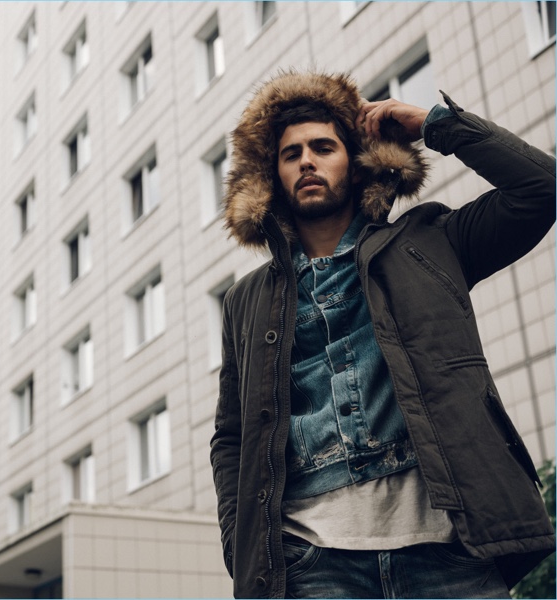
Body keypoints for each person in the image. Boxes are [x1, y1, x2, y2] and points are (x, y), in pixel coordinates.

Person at [210, 69, 556, 599]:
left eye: (323, 147)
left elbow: (541, 190)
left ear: (356, 161)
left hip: (450, 551)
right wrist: (242, 545)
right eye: (290, 153)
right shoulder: (245, 300)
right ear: (270, 177)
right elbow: (232, 436)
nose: (307, 160)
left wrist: (436, 123)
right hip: (312, 562)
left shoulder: (432, 242)